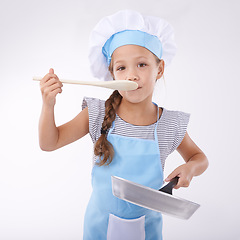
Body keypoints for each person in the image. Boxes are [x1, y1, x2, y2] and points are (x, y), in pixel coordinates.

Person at [38, 9, 208, 240]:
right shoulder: (97, 114)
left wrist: (190, 169)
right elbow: (50, 143)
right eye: (121, 68)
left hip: (148, 229)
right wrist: (48, 105)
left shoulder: (169, 123)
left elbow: (199, 158)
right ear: (112, 75)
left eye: (141, 65)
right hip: (98, 227)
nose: (132, 76)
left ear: (159, 69)